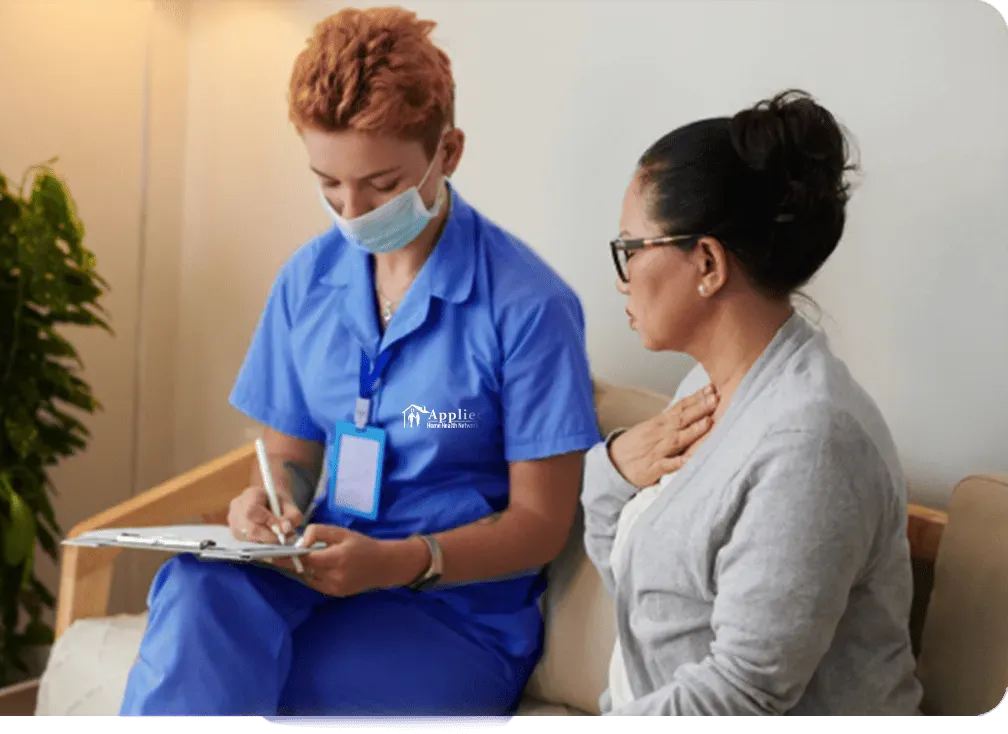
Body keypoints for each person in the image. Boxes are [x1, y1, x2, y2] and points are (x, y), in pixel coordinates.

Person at [118, 6, 601, 718]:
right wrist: (271, 502)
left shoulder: (529, 307)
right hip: (313, 570)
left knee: (273, 694)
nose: (352, 211)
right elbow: (290, 455)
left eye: (381, 185)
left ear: (448, 152)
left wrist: (399, 562)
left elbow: (540, 524)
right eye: (329, 183)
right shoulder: (306, 280)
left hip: (448, 612)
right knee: (196, 586)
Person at [581, 89, 924, 719]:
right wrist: (612, 471)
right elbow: (644, 605)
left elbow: (742, 695)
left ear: (707, 263)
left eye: (631, 249)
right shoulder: (708, 387)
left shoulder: (811, 444)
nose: (621, 279)